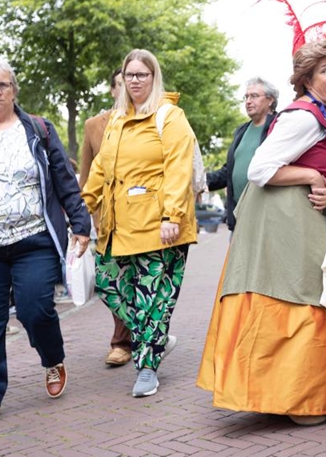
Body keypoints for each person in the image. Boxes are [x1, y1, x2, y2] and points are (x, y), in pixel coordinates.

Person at [197, 40, 326, 427]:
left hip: (296, 217)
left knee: (300, 299)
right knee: (300, 298)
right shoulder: (305, 117)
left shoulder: (321, 115)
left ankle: (290, 396)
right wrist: (313, 175)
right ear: (307, 79)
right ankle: (298, 400)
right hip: (283, 221)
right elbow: (261, 168)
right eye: (325, 70)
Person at [0, 56, 91, 431]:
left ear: (14, 89)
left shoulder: (37, 129)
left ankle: (52, 358)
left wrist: (79, 223)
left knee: (36, 309)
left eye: (3, 85)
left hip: (32, 238)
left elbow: (65, 179)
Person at [82, 49, 197, 398]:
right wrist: (85, 202)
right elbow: (102, 167)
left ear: (153, 77)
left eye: (141, 75)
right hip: (120, 225)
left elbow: (180, 167)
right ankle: (156, 338)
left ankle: (146, 367)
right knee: (106, 282)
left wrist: (171, 215)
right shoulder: (116, 120)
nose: (134, 81)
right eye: (129, 75)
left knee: (150, 298)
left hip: (159, 225)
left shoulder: (170, 116)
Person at [79, 68, 132, 367]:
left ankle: (123, 342)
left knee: (140, 281)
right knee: (109, 282)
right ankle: (135, 334)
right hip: (107, 222)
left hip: (145, 219)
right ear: (112, 90)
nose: (127, 89)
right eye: (121, 85)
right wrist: (82, 223)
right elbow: (87, 178)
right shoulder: (93, 126)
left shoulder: (156, 119)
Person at [206, 77, 278, 232]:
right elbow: (229, 172)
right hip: (239, 218)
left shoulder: (279, 127)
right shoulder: (241, 131)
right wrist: (201, 181)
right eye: (246, 97)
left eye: (254, 96)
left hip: (267, 218)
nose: (248, 101)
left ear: (270, 100)